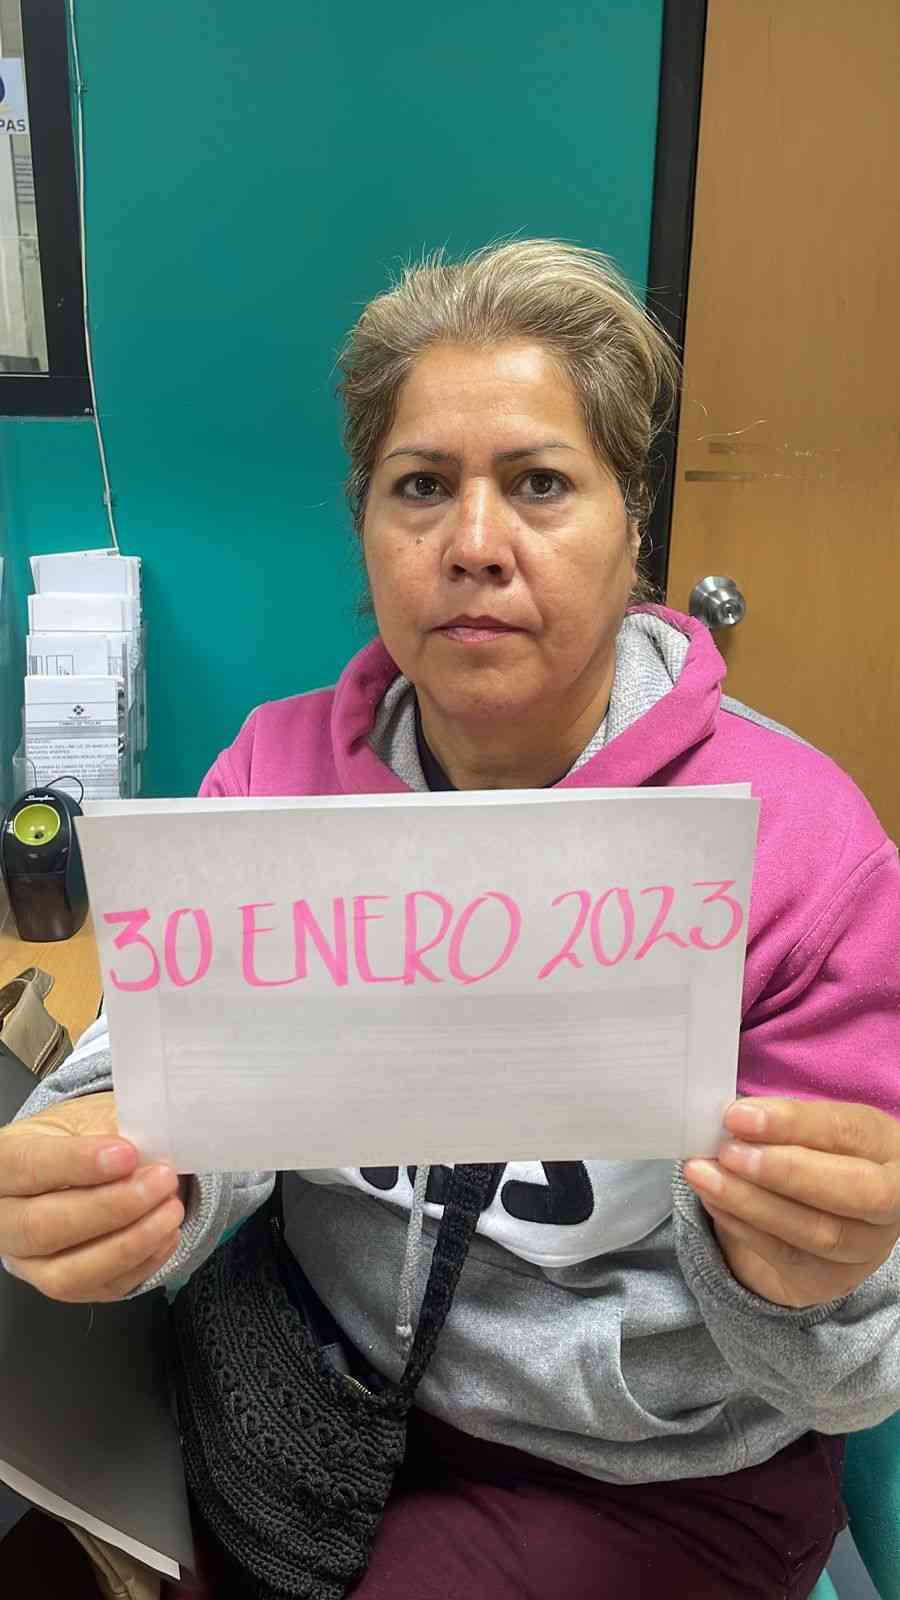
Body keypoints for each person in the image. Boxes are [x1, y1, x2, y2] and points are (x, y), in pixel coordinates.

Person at [2, 238, 900, 1600]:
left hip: (651, 1467)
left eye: (540, 483)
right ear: (366, 528)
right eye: (421, 486)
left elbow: (856, 1368)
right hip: (325, 1383)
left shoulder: (805, 848)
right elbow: (157, 1075)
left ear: (633, 528)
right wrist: (119, 1170)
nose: (474, 545)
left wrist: (810, 1278)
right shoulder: (274, 777)